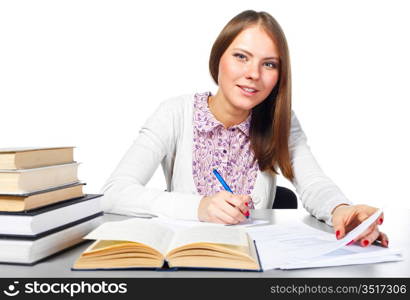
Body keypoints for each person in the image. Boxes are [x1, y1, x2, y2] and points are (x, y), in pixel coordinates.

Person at [100, 10, 388, 248]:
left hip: (255, 262)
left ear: (279, 75)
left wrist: (341, 209)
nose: (254, 73)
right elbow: (115, 192)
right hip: (187, 260)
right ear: (218, 59)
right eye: (241, 57)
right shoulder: (175, 112)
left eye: (269, 64)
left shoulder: (280, 120)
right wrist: (199, 207)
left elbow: (314, 183)